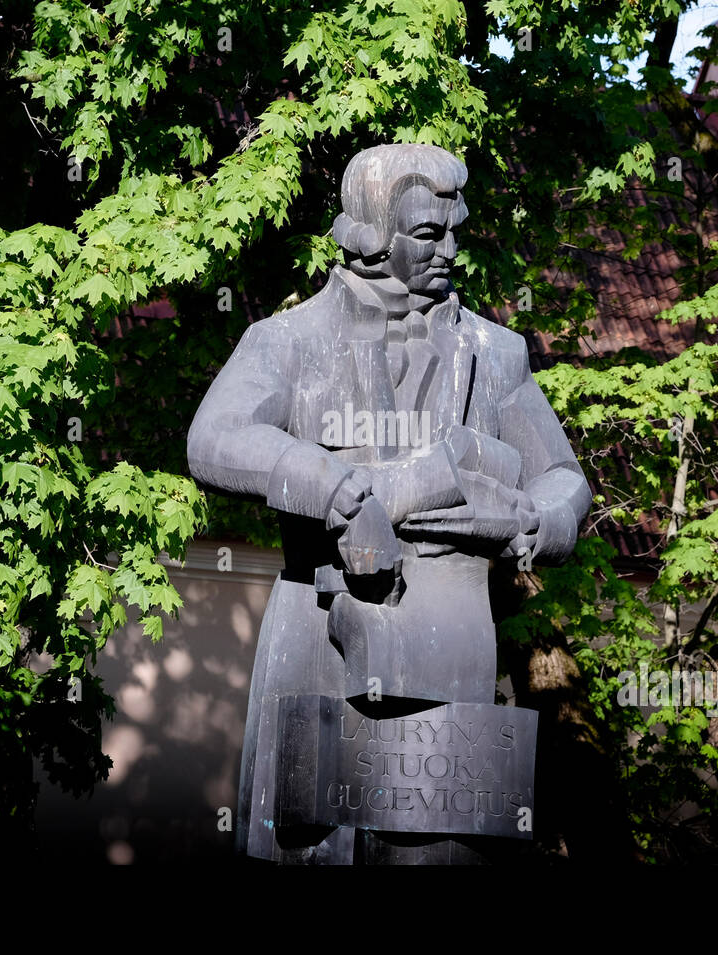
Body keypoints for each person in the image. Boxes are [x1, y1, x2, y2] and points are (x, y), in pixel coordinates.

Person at [187, 144, 591, 863]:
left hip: (456, 649)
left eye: (455, 230)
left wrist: (534, 522)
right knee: (312, 853)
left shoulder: (496, 353)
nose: (450, 250)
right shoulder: (289, 340)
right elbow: (214, 438)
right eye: (428, 234)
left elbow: (564, 477)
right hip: (320, 638)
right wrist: (337, 490)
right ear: (371, 235)